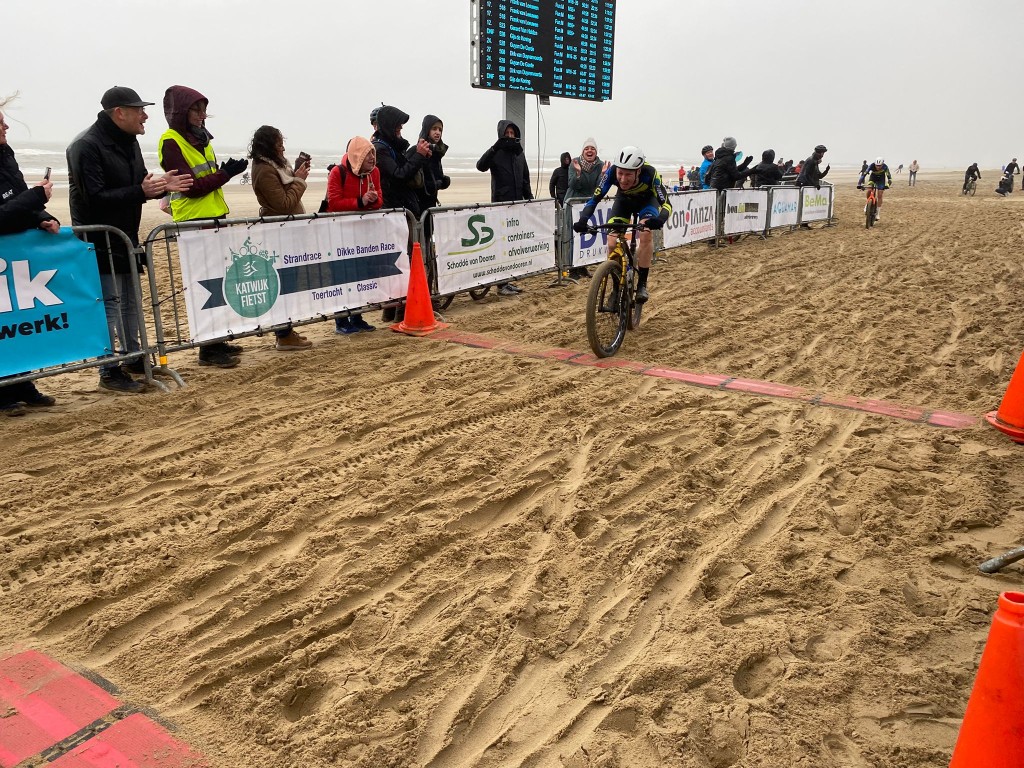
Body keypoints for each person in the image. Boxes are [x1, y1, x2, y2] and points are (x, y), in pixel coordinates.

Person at [68, 85, 195, 394]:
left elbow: (140, 184)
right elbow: (94, 197)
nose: (145, 116)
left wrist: (162, 186)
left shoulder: (130, 142)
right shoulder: (86, 145)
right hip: (98, 240)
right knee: (109, 304)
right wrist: (143, 191)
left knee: (130, 303)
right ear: (119, 113)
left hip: (126, 236)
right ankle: (108, 369)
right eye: (139, 110)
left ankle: (134, 358)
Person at [158, 85, 249, 368]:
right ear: (181, 112)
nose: (202, 115)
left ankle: (217, 339)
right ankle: (208, 348)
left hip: (213, 216)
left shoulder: (201, 139)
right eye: (195, 110)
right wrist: (226, 173)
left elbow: (205, 179)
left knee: (217, 282)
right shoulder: (171, 140)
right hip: (194, 220)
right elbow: (192, 188)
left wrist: (223, 172)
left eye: (203, 109)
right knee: (203, 285)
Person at [0, 94, 60, 416]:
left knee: (16, 322)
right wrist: (34, 197)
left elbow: (19, 203)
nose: (6, 125)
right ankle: (3, 394)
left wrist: (42, 217)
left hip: (14, 256)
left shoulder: (5, 153)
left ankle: (24, 385)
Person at [572, 146, 671, 304]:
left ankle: (642, 285)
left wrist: (660, 220)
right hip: (623, 202)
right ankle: (616, 287)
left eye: (628, 174)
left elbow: (666, 204)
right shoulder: (611, 172)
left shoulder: (651, 174)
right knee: (612, 242)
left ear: (638, 171)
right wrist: (583, 219)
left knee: (645, 233)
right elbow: (594, 199)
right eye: (620, 173)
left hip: (647, 203)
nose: (623, 179)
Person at [247, 125, 314, 352]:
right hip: (279, 233)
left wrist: (295, 173)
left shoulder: (274, 166)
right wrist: (300, 180)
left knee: (290, 281)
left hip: (288, 232)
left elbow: (285, 188)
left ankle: (287, 330)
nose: (283, 147)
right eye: (279, 143)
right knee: (284, 283)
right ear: (269, 146)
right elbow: (283, 204)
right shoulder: (264, 170)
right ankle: (283, 334)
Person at [373, 106, 431, 321]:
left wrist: (417, 154)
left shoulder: (392, 146)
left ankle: (393, 311)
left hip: (403, 209)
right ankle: (398, 312)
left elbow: (405, 170)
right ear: (389, 124)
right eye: (398, 124)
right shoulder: (380, 149)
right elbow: (399, 175)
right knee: (401, 262)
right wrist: (418, 155)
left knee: (402, 261)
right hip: (394, 211)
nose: (400, 128)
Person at [326, 136, 383, 334]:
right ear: (357, 155)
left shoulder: (374, 173)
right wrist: (361, 201)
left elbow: (378, 201)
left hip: (362, 235)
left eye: (373, 154)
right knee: (342, 277)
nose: (372, 159)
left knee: (360, 275)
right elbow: (334, 203)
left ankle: (357, 317)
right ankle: (341, 321)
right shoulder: (337, 172)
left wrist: (371, 200)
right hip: (339, 234)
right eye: (368, 154)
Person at [476, 120, 532, 296]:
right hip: (500, 206)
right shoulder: (496, 151)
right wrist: (494, 147)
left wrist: (530, 199)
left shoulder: (519, 153)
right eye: (506, 133)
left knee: (512, 244)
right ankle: (501, 284)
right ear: (501, 134)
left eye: (512, 133)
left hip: (517, 206)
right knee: (501, 246)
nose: (509, 136)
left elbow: (525, 178)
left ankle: (508, 280)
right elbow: (480, 166)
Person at [564, 138, 609, 279]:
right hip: (573, 204)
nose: (589, 151)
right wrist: (578, 173)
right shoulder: (575, 163)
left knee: (586, 236)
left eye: (592, 149)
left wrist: (603, 175)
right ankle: (572, 269)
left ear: (596, 151)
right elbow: (573, 185)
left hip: (588, 205)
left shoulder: (600, 165)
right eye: (586, 149)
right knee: (572, 237)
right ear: (582, 151)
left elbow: (598, 188)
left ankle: (582, 267)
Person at [413, 114, 450, 212]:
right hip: (417, 206)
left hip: (430, 205)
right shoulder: (416, 150)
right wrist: (433, 184)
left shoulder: (437, 152)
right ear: (427, 130)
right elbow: (410, 178)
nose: (438, 132)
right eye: (434, 129)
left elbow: (434, 175)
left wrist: (442, 181)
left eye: (440, 130)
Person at [858, 157, 892, 221]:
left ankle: (878, 213)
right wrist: (859, 184)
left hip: (881, 179)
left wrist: (887, 185)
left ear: (882, 164)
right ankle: (867, 203)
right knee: (869, 189)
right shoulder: (871, 165)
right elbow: (864, 175)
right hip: (873, 178)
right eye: (877, 165)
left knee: (880, 194)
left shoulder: (885, 167)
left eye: (879, 166)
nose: (878, 167)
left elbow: (889, 178)